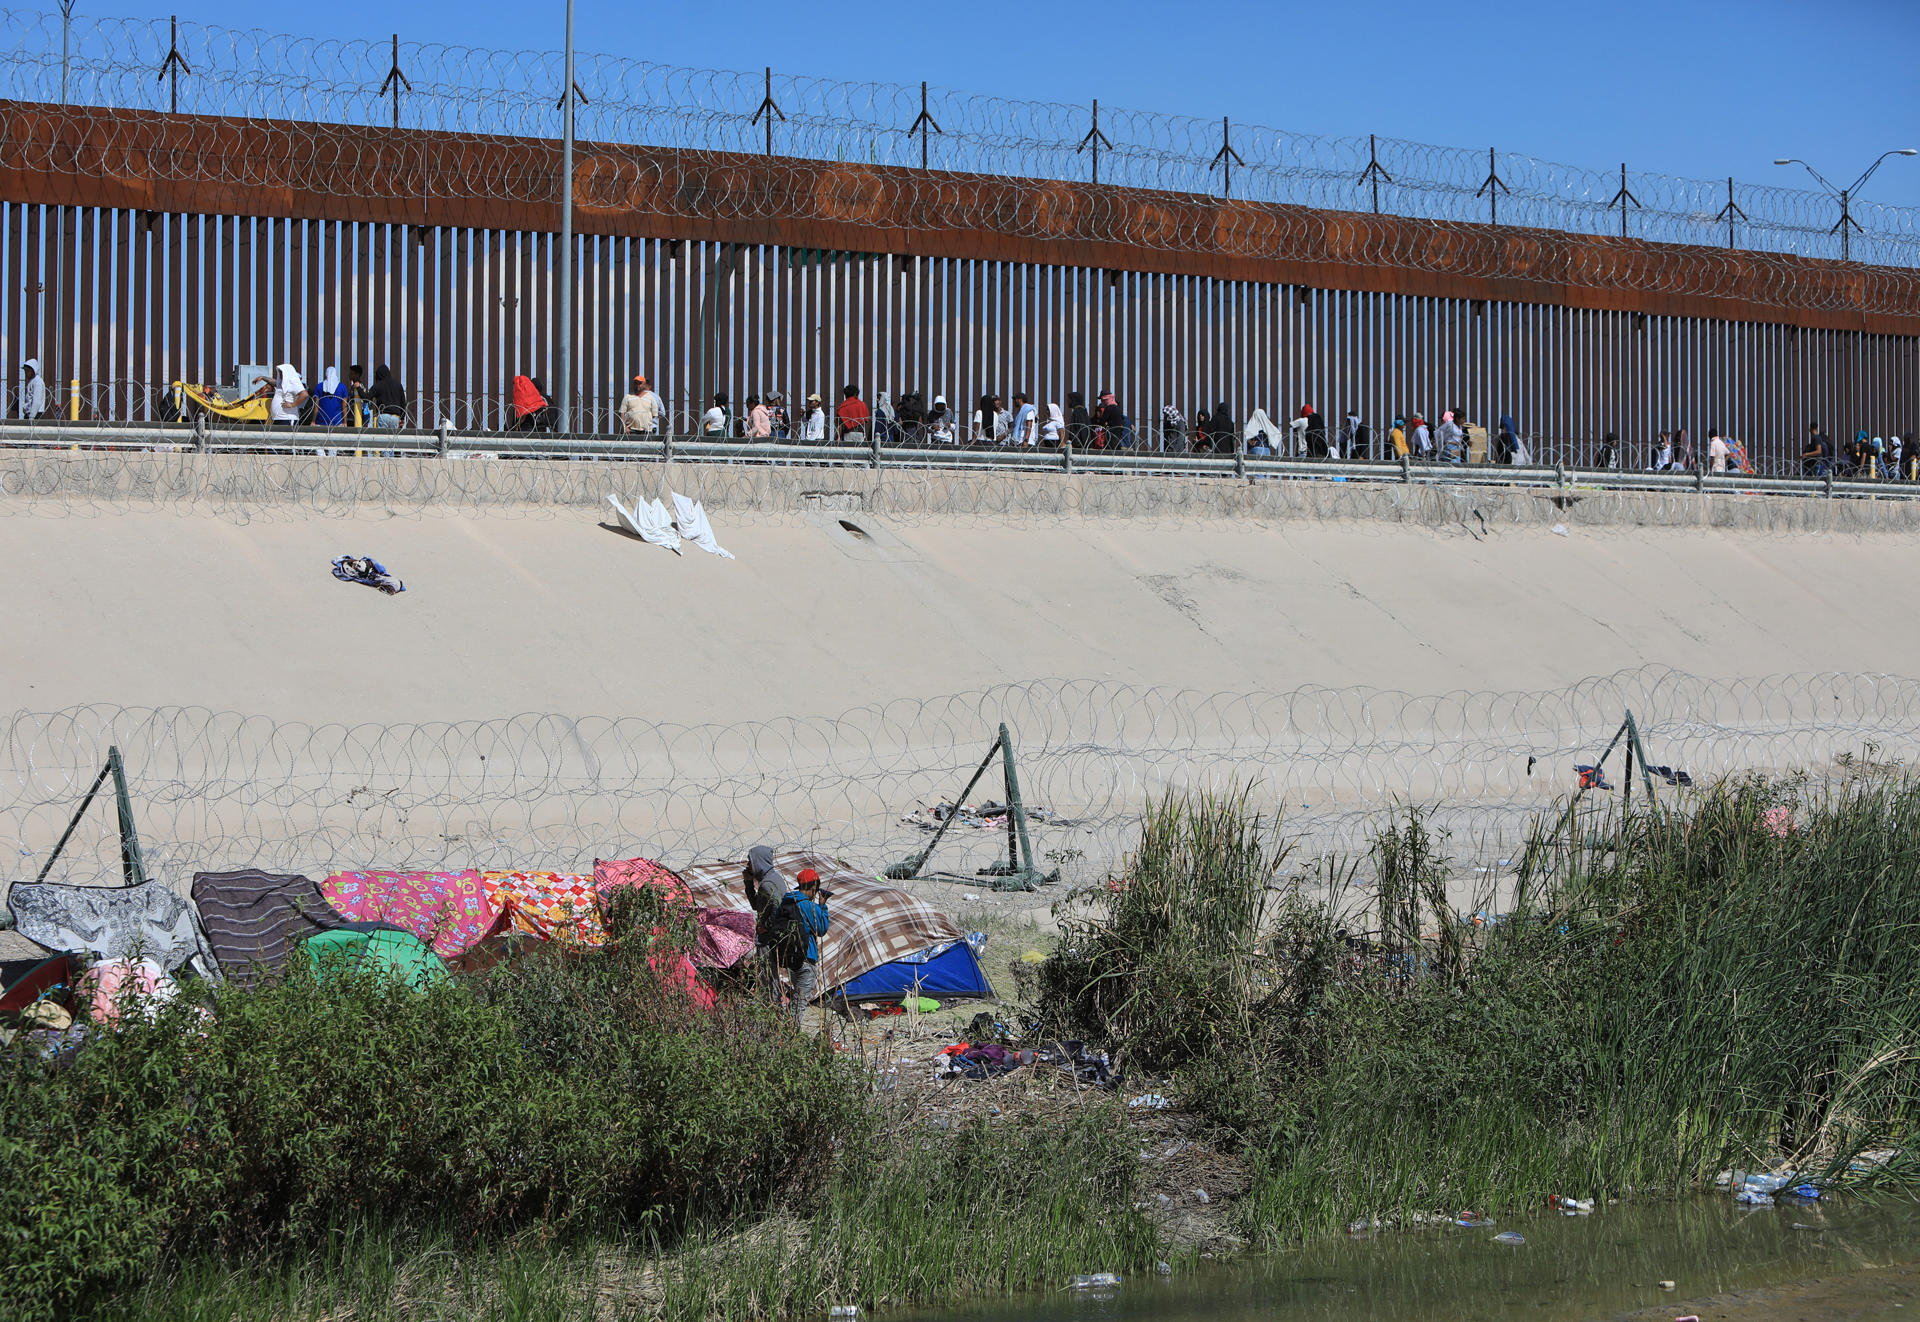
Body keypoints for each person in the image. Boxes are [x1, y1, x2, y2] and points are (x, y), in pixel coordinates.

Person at [779, 867, 830, 1028]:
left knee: (796, 996)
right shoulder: (808, 906)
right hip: (807, 957)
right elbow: (821, 929)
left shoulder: (786, 902)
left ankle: (782, 1027)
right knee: (800, 1001)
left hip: (790, 958)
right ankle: (790, 1033)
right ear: (814, 887)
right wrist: (822, 907)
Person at [742, 845, 788, 1006]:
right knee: (769, 975)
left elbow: (778, 906)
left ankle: (770, 1006)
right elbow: (756, 905)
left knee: (767, 975)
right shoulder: (772, 879)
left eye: (750, 861)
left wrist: (767, 925)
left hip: (768, 939)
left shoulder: (768, 884)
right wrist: (748, 883)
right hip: (769, 937)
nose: (748, 865)